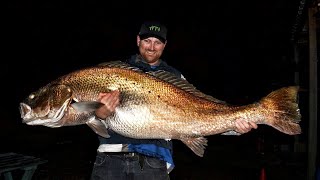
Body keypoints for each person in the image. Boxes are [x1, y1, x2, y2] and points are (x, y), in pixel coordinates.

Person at [90, 21, 258, 180]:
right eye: (147, 40)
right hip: (110, 160)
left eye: (158, 42)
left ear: (165, 45)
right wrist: (100, 113)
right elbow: (88, 116)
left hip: (153, 162)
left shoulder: (174, 77)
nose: (151, 47)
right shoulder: (113, 72)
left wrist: (235, 127)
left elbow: (202, 114)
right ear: (138, 40)